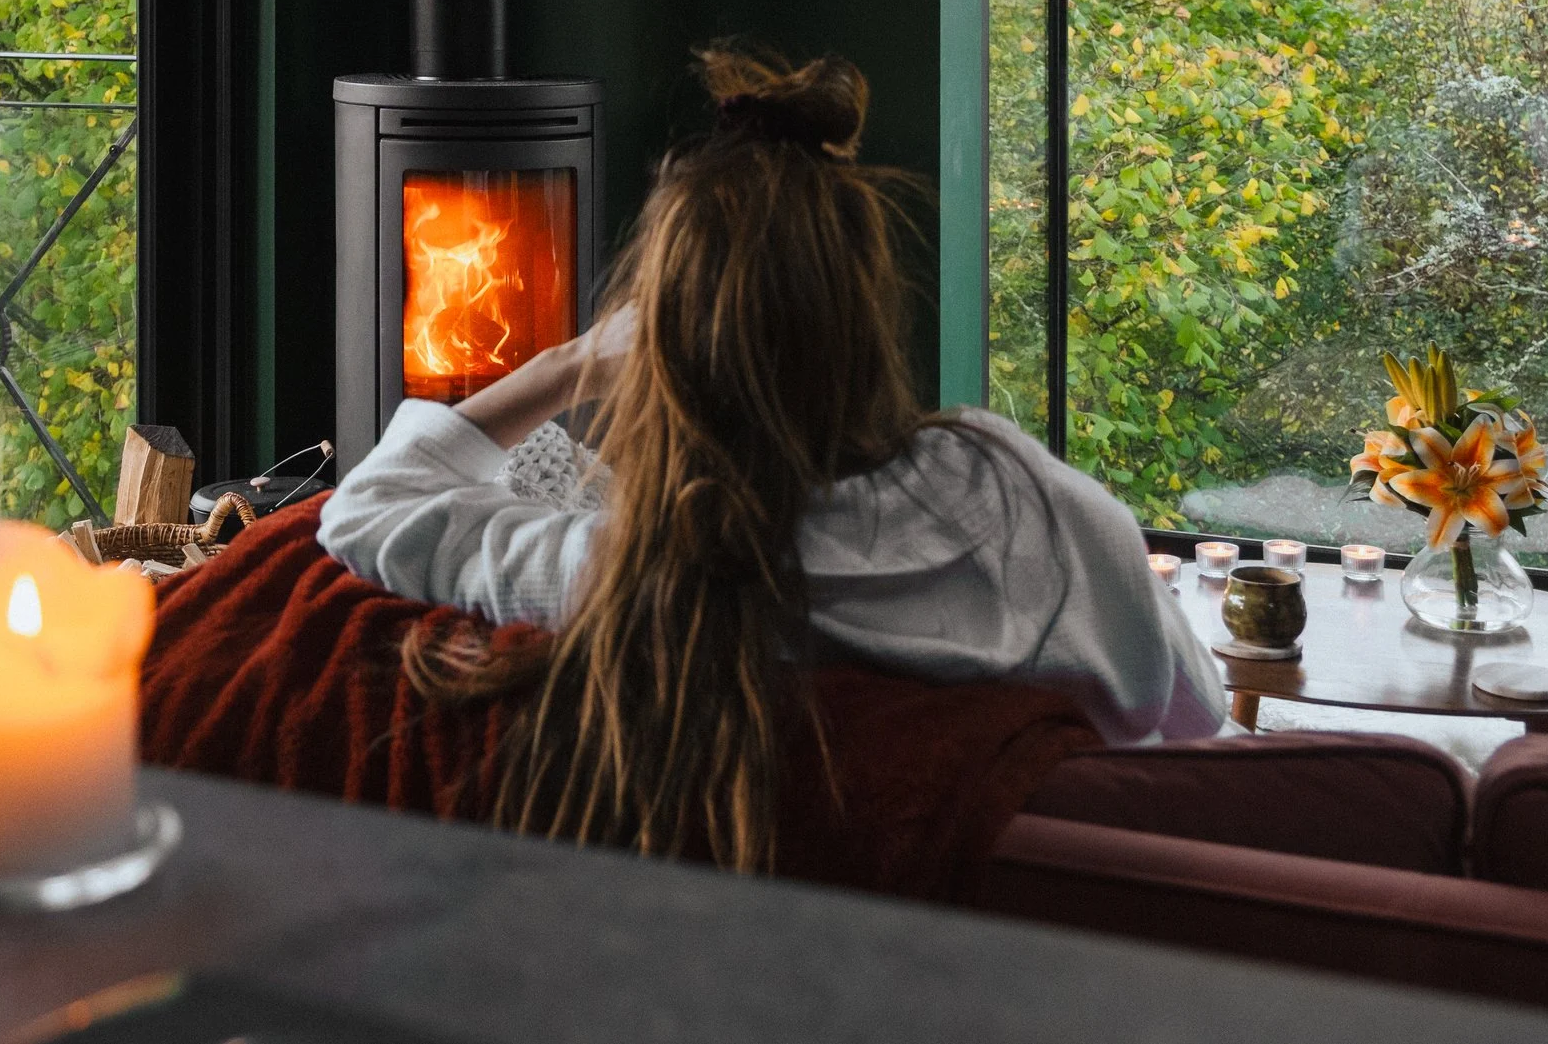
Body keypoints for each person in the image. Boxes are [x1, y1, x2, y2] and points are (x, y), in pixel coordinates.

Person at [318, 46, 1226, 870]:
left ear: (659, 353)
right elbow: (1198, 715)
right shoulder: (1035, 517)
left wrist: (568, 360)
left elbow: (365, 508)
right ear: (866, 313)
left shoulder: (632, 574)